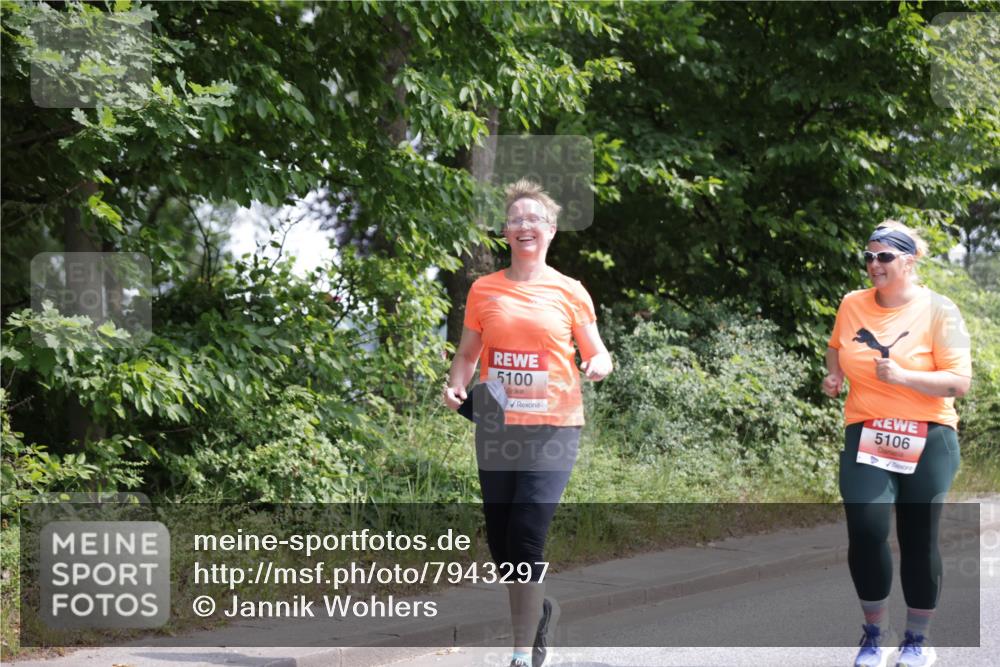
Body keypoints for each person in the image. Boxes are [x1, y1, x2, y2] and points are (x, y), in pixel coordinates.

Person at [443, 178, 613, 667]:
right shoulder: (485, 289)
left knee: (526, 534)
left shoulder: (569, 291)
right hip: (496, 424)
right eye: (516, 219)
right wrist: (457, 385)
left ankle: (522, 654)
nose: (524, 226)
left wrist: (598, 364)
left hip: (555, 425)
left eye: (533, 219)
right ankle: (539, 615)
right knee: (501, 543)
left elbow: (596, 350)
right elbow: (469, 352)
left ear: (551, 230)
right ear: (505, 231)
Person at [823, 220, 972, 667]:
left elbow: (959, 382)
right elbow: (837, 347)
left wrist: (905, 377)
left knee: (919, 537)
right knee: (867, 529)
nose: (873, 265)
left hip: (929, 435)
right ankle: (874, 633)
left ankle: (917, 640)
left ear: (909, 260)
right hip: (868, 432)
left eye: (884, 256)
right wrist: (834, 373)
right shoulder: (852, 304)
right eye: (868, 256)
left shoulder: (942, 310)